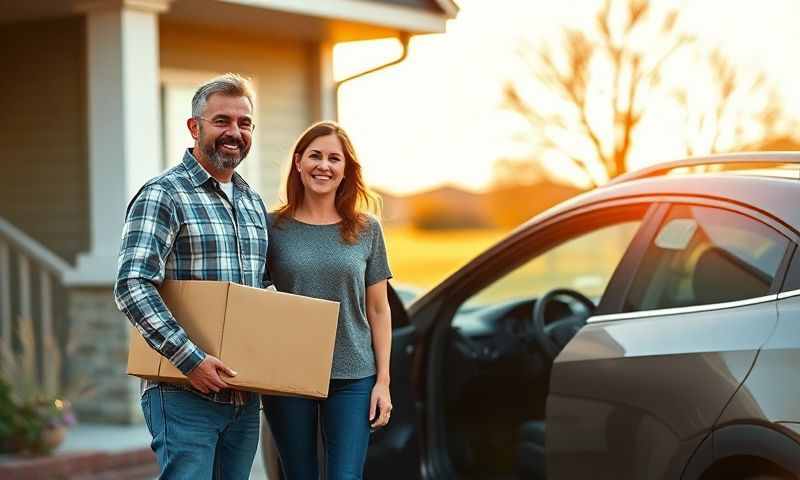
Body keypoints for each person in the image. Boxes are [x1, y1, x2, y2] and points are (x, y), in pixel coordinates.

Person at [114, 73, 268, 479]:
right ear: (194, 126)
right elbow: (132, 285)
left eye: (244, 123)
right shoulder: (164, 193)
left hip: (243, 397)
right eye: (222, 121)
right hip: (183, 392)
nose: (234, 132)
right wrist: (191, 360)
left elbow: (257, 293)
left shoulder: (252, 202)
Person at [263, 121, 393, 479]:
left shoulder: (367, 229)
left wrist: (382, 382)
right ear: (299, 162)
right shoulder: (271, 227)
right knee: (298, 474)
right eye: (315, 156)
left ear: (346, 170)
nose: (324, 165)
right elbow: (255, 299)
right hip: (288, 374)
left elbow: (379, 309)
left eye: (334, 158)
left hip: (354, 375)